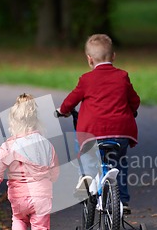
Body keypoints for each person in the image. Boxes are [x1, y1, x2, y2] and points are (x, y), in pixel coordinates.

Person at [57, 34, 140, 214]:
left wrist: (62, 111)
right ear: (113, 56)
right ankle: (123, 201)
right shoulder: (122, 76)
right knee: (119, 163)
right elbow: (134, 100)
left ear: (89, 59)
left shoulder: (86, 79)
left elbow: (71, 101)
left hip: (92, 134)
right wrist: (131, 109)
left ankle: (87, 182)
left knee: (84, 151)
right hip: (121, 133)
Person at [0, 93, 59, 230]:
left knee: (18, 220)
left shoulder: (9, 146)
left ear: (13, 121)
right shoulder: (45, 144)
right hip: (41, 195)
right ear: (35, 120)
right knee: (41, 229)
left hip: (19, 196)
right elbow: (54, 169)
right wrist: (49, 179)